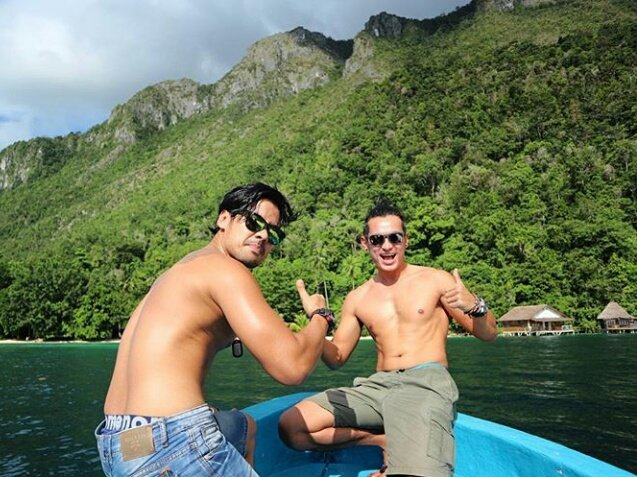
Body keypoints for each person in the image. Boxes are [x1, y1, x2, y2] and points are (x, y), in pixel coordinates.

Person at [95, 183, 334, 477]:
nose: (263, 236)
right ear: (223, 218)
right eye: (254, 223)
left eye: (273, 234)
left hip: (119, 444)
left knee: (244, 426)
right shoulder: (226, 270)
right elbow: (292, 366)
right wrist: (320, 316)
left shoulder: (175, 274)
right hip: (171, 443)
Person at [278, 199, 497, 477]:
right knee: (292, 426)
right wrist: (317, 321)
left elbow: (488, 333)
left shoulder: (436, 280)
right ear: (365, 243)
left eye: (395, 237)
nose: (387, 246)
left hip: (425, 382)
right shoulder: (358, 297)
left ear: (406, 240)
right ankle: (381, 440)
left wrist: (475, 306)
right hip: (377, 386)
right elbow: (337, 357)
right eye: (377, 239)